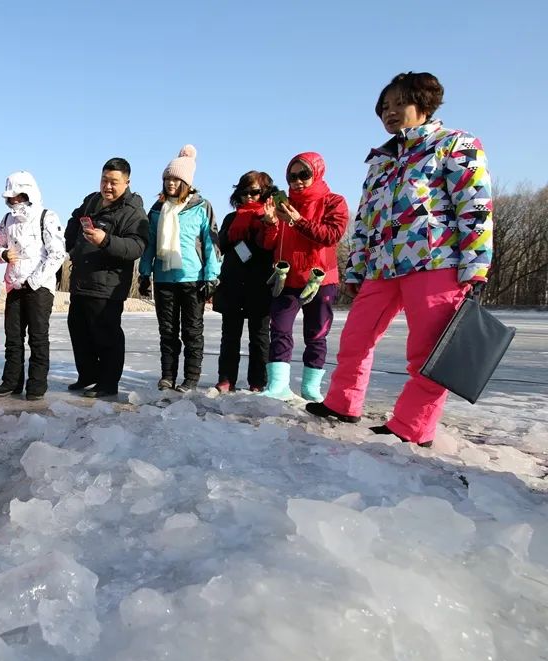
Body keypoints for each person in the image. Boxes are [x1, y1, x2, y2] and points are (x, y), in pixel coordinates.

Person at [306, 72, 494, 447]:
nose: (390, 113)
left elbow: (474, 205)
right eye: (384, 108)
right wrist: (357, 265)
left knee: (426, 350)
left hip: (436, 263)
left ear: (423, 105)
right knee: (356, 337)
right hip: (380, 267)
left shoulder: (454, 143)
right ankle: (343, 402)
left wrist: (475, 262)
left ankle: (412, 426)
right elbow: (365, 219)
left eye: (398, 105)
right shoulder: (381, 160)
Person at [257, 152, 349, 402]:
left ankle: (311, 388)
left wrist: (298, 221)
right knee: (279, 329)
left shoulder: (333, 201)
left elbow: (332, 235)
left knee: (316, 334)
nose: (297, 181)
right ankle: (278, 386)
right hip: (286, 280)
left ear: (317, 173)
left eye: (304, 175)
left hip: (319, 280)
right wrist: (271, 223)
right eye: (292, 176)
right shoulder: (283, 203)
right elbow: (269, 244)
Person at [137, 145, 221, 392]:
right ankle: (167, 377)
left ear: (185, 181)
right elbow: (149, 244)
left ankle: (191, 378)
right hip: (164, 279)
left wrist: (211, 276)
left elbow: (210, 243)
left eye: (175, 179)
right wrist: (144, 272)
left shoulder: (201, 206)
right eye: (167, 178)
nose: (170, 183)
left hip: (193, 279)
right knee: (168, 332)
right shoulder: (157, 209)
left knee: (192, 332)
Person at [65, 158, 149, 398]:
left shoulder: (133, 211)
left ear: (127, 182)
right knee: (79, 331)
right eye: (104, 180)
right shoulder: (91, 200)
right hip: (82, 279)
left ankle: (108, 383)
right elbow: (74, 221)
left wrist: (106, 240)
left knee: (106, 335)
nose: (108, 186)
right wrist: (72, 246)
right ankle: (88, 375)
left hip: (108, 285)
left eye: (114, 182)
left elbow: (137, 246)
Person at [0, 171, 67, 400]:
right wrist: (3, 254)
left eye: (19, 196)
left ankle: (36, 384)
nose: (15, 201)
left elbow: (57, 254)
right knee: (13, 338)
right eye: (11, 197)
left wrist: (34, 281)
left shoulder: (47, 216)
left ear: (29, 193)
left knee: (38, 336)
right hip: (14, 285)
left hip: (39, 288)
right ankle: (11, 381)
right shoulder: (6, 220)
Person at [211, 171, 276, 393]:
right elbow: (221, 245)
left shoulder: (270, 218)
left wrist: (266, 224)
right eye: (244, 192)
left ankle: (258, 381)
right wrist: (234, 233)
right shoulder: (231, 218)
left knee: (259, 338)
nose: (248, 196)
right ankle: (226, 378)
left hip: (259, 285)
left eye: (254, 192)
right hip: (233, 284)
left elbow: (269, 248)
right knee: (230, 336)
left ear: (265, 193)